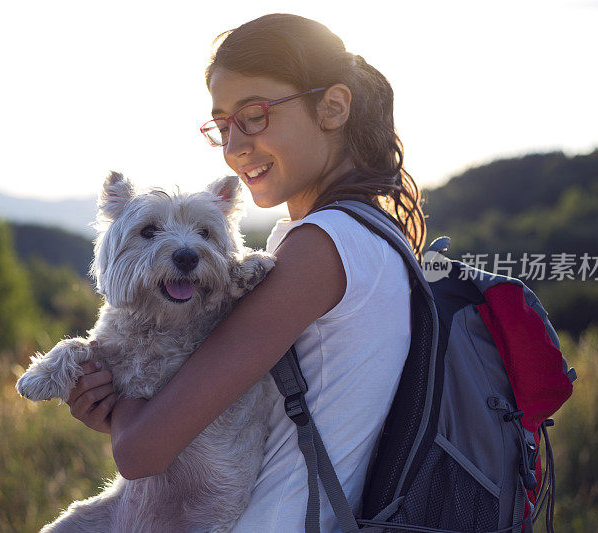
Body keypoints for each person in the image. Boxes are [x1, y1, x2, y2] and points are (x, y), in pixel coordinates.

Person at [66, 13, 426, 532]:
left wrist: (118, 404)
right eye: (222, 125)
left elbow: (141, 451)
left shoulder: (320, 249)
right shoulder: (372, 235)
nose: (234, 147)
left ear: (333, 107)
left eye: (254, 115)